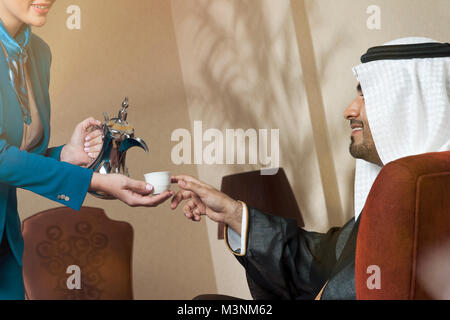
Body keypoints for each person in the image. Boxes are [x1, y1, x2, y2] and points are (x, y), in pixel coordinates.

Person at [170, 37, 450, 299]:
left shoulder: (417, 196)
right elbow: (323, 260)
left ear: (407, 105)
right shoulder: (411, 188)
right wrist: (234, 213)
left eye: (367, 97)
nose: (350, 110)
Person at [0, 0, 173, 299]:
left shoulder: (39, 55)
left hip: (6, 245)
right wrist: (93, 181)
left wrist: (65, 155)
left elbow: (17, 157)